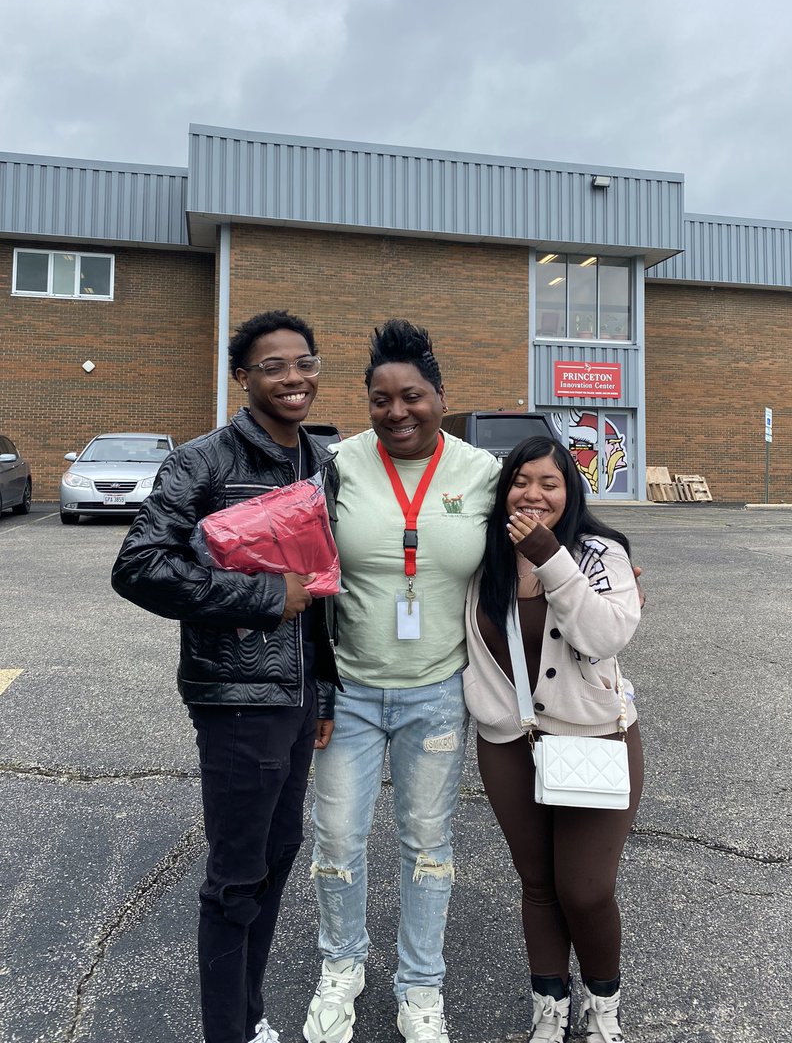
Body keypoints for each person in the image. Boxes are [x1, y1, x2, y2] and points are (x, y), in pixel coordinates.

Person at [111, 310, 341, 1043]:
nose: (292, 378)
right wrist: (267, 596)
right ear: (243, 377)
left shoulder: (318, 462)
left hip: (300, 697)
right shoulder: (201, 463)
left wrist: (325, 689)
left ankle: (248, 1018)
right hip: (238, 699)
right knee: (236, 877)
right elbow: (139, 566)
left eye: (302, 362)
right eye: (272, 366)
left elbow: (327, 589)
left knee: (277, 860)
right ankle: (227, 1033)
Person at [302, 319, 500, 1043]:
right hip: (348, 693)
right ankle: (341, 968)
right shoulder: (335, 465)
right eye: (380, 399)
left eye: (411, 395)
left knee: (428, 846)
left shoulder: (480, 472)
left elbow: (549, 526)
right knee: (338, 840)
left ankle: (420, 989)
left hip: (437, 692)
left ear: (441, 397)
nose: (396, 412)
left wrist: (605, 562)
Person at [463, 436, 643, 1043]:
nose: (533, 494)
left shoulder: (600, 552)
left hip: (594, 735)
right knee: (538, 885)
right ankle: (549, 1006)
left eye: (550, 483)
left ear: (572, 491)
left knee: (585, 889)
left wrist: (548, 556)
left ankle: (603, 1008)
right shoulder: (479, 556)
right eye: (521, 480)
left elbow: (604, 635)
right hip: (508, 742)